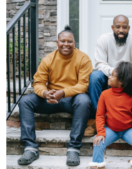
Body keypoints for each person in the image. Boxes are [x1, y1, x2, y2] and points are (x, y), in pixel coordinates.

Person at [18, 26, 93, 166]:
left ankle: (74, 148)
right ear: (57, 42)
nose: (66, 44)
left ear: (74, 43)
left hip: (72, 99)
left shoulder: (83, 59)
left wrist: (63, 93)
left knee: (84, 100)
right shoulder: (48, 59)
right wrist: (46, 93)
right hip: (51, 99)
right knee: (25, 101)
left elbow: (83, 85)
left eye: (69, 41)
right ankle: (30, 148)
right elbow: (38, 82)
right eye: (62, 41)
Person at [85, 15, 132, 138]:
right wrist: (115, 73)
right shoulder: (103, 40)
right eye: (117, 27)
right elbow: (100, 63)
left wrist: (124, 74)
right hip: (109, 75)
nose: (121, 30)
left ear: (129, 28)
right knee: (95, 76)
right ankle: (94, 121)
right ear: (112, 27)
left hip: (130, 75)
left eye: (124, 27)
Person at [89, 62, 132, 169]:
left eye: (113, 76)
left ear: (121, 82)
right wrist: (101, 132)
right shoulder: (104, 94)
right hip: (111, 129)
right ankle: (98, 166)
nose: (109, 77)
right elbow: (100, 115)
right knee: (98, 143)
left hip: (128, 130)